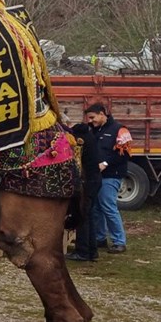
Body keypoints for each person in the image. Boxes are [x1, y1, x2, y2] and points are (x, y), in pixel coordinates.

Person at [85, 102, 131, 253]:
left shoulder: (120, 129)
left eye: (92, 117)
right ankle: (100, 239)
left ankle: (119, 242)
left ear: (102, 114)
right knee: (96, 209)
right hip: (96, 176)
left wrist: (105, 163)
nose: (90, 120)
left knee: (108, 207)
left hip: (111, 176)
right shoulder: (93, 130)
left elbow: (124, 153)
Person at [67, 118, 102, 262]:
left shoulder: (79, 140)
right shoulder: (90, 136)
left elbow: (77, 163)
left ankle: (82, 251)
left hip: (87, 182)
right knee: (89, 216)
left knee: (82, 216)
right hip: (95, 180)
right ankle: (92, 251)